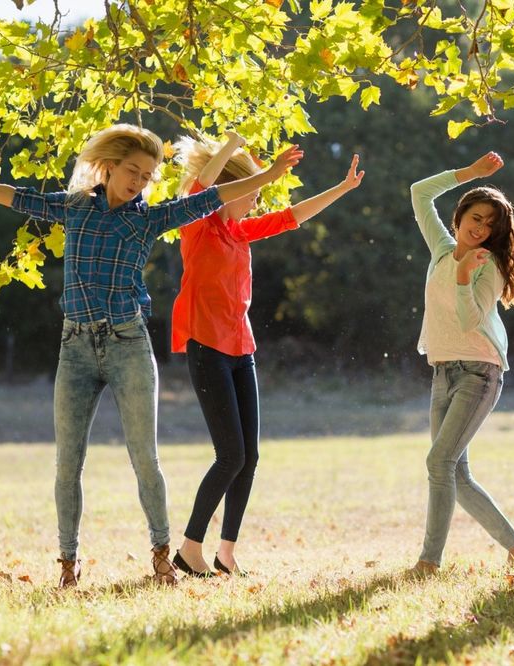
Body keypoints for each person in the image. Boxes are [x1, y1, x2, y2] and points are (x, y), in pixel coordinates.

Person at [0, 124, 302, 588]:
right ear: (108, 167)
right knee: (68, 462)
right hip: (76, 349)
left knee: (145, 458)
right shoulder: (73, 208)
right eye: (133, 171)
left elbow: (214, 194)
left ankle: (164, 556)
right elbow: (13, 196)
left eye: (148, 176)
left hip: (129, 345)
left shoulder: (148, 218)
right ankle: (68, 562)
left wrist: (267, 174)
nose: (139, 182)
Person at [169, 131, 364, 577]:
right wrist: (234, 146)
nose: (256, 203)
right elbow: (203, 188)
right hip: (207, 346)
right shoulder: (198, 225)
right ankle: (189, 547)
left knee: (249, 456)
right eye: (252, 194)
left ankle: (227, 552)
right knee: (230, 456)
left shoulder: (239, 232)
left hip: (242, 348)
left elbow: (292, 216)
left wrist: (342, 188)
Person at [409, 151, 514, 576]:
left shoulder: (490, 265)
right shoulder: (443, 249)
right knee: (456, 474)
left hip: (480, 372)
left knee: (438, 463)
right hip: (443, 370)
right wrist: (469, 174)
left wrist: (465, 276)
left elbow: (470, 321)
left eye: (490, 226)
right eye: (476, 218)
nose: (481, 229)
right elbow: (419, 192)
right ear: (461, 214)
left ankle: (429, 563)